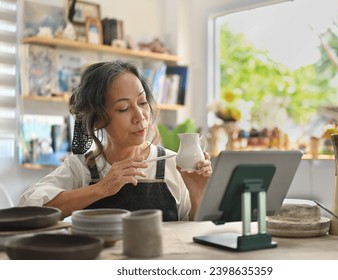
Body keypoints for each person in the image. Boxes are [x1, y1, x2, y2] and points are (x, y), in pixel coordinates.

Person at [18, 60, 212, 221]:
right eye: (123, 109)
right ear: (98, 119)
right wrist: (101, 189)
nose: (140, 116)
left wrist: (198, 196)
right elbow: (28, 208)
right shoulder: (82, 167)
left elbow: (192, 235)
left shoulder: (172, 164)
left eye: (142, 103)